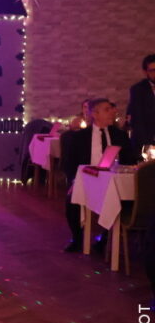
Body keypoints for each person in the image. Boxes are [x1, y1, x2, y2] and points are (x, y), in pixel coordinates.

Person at [60, 97, 137, 253]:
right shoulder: (79, 137)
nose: (113, 112)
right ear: (95, 114)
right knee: (71, 201)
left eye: (112, 109)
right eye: (107, 109)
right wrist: (74, 180)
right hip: (87, 181)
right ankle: (77, 238)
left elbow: (130, 160)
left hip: (113, 181)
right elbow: (68, 163)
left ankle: (105, 239)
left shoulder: (120, 135)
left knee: (128, 198)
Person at [126, 54, 155, 152]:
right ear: (145, 72)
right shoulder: (138, 90)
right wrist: (147, 145)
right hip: (149, 141)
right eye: (152, 70)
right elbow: (138, 120)